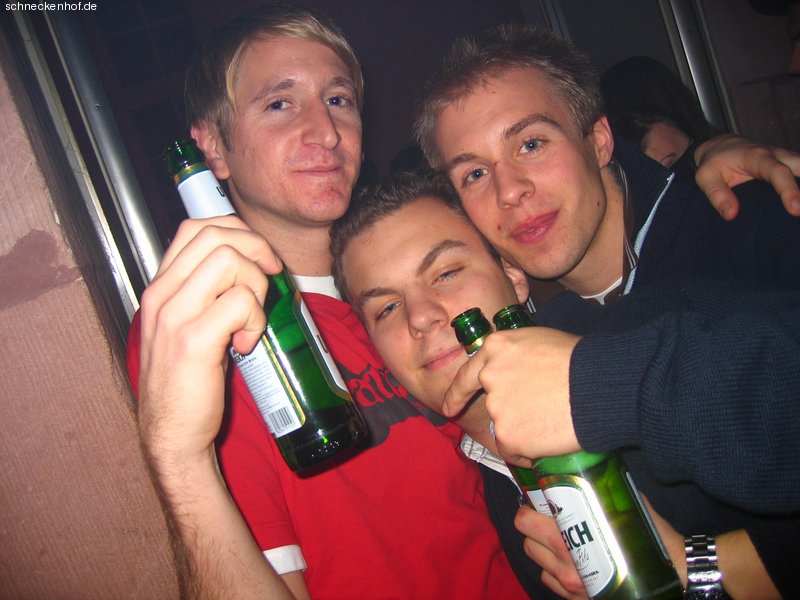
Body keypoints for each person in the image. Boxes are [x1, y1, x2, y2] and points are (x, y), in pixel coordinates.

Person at [128, 4, 800, 598]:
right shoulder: (219, 333)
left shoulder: (602, 338)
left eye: (338, 99)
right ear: (210, 146)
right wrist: (176, 458)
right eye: (280, 103)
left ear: (507, 273)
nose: (324, 131)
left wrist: (690, 169)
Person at [414, 24, 800, 597]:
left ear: (597, 140)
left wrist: (597, 384)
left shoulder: (753, 220)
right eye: (474, 173)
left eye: (531, 144)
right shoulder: (530, 343)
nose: (509, 190)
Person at [329, 169, 800, 599]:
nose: (420, 317)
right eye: (386, 308)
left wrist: (690, 568)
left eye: (447, 273)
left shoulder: (654, 330)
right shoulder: (490, 492)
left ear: (512, 276)